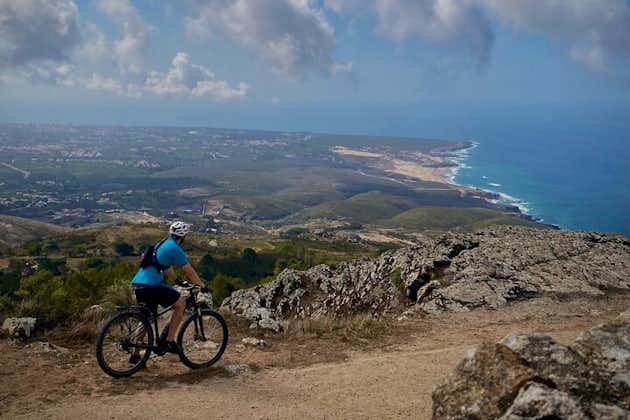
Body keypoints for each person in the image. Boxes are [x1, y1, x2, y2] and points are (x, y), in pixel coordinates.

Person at [129, 221, 206, 362]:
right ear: (183, 237)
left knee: (145, 318)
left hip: (138, 284)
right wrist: (201, 285)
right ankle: (169, 341)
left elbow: (165, 267)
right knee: (180, 304)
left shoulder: (162, 243)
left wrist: (176, 281)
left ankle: (135, 354)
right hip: (152, 285)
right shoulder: (175, 247)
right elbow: (189, 271)